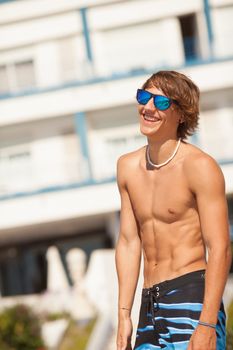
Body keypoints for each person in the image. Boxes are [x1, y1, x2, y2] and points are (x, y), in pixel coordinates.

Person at [115, 70, 232, 350]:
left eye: (161, 102)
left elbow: (220, 248)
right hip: (149, 302)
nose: (148, 108)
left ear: (182, 114)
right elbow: (130, 242)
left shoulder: (200, 166)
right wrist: (123, 315)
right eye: (144, 97)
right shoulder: (127, 167)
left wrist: (206, 324)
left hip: (192, 297)